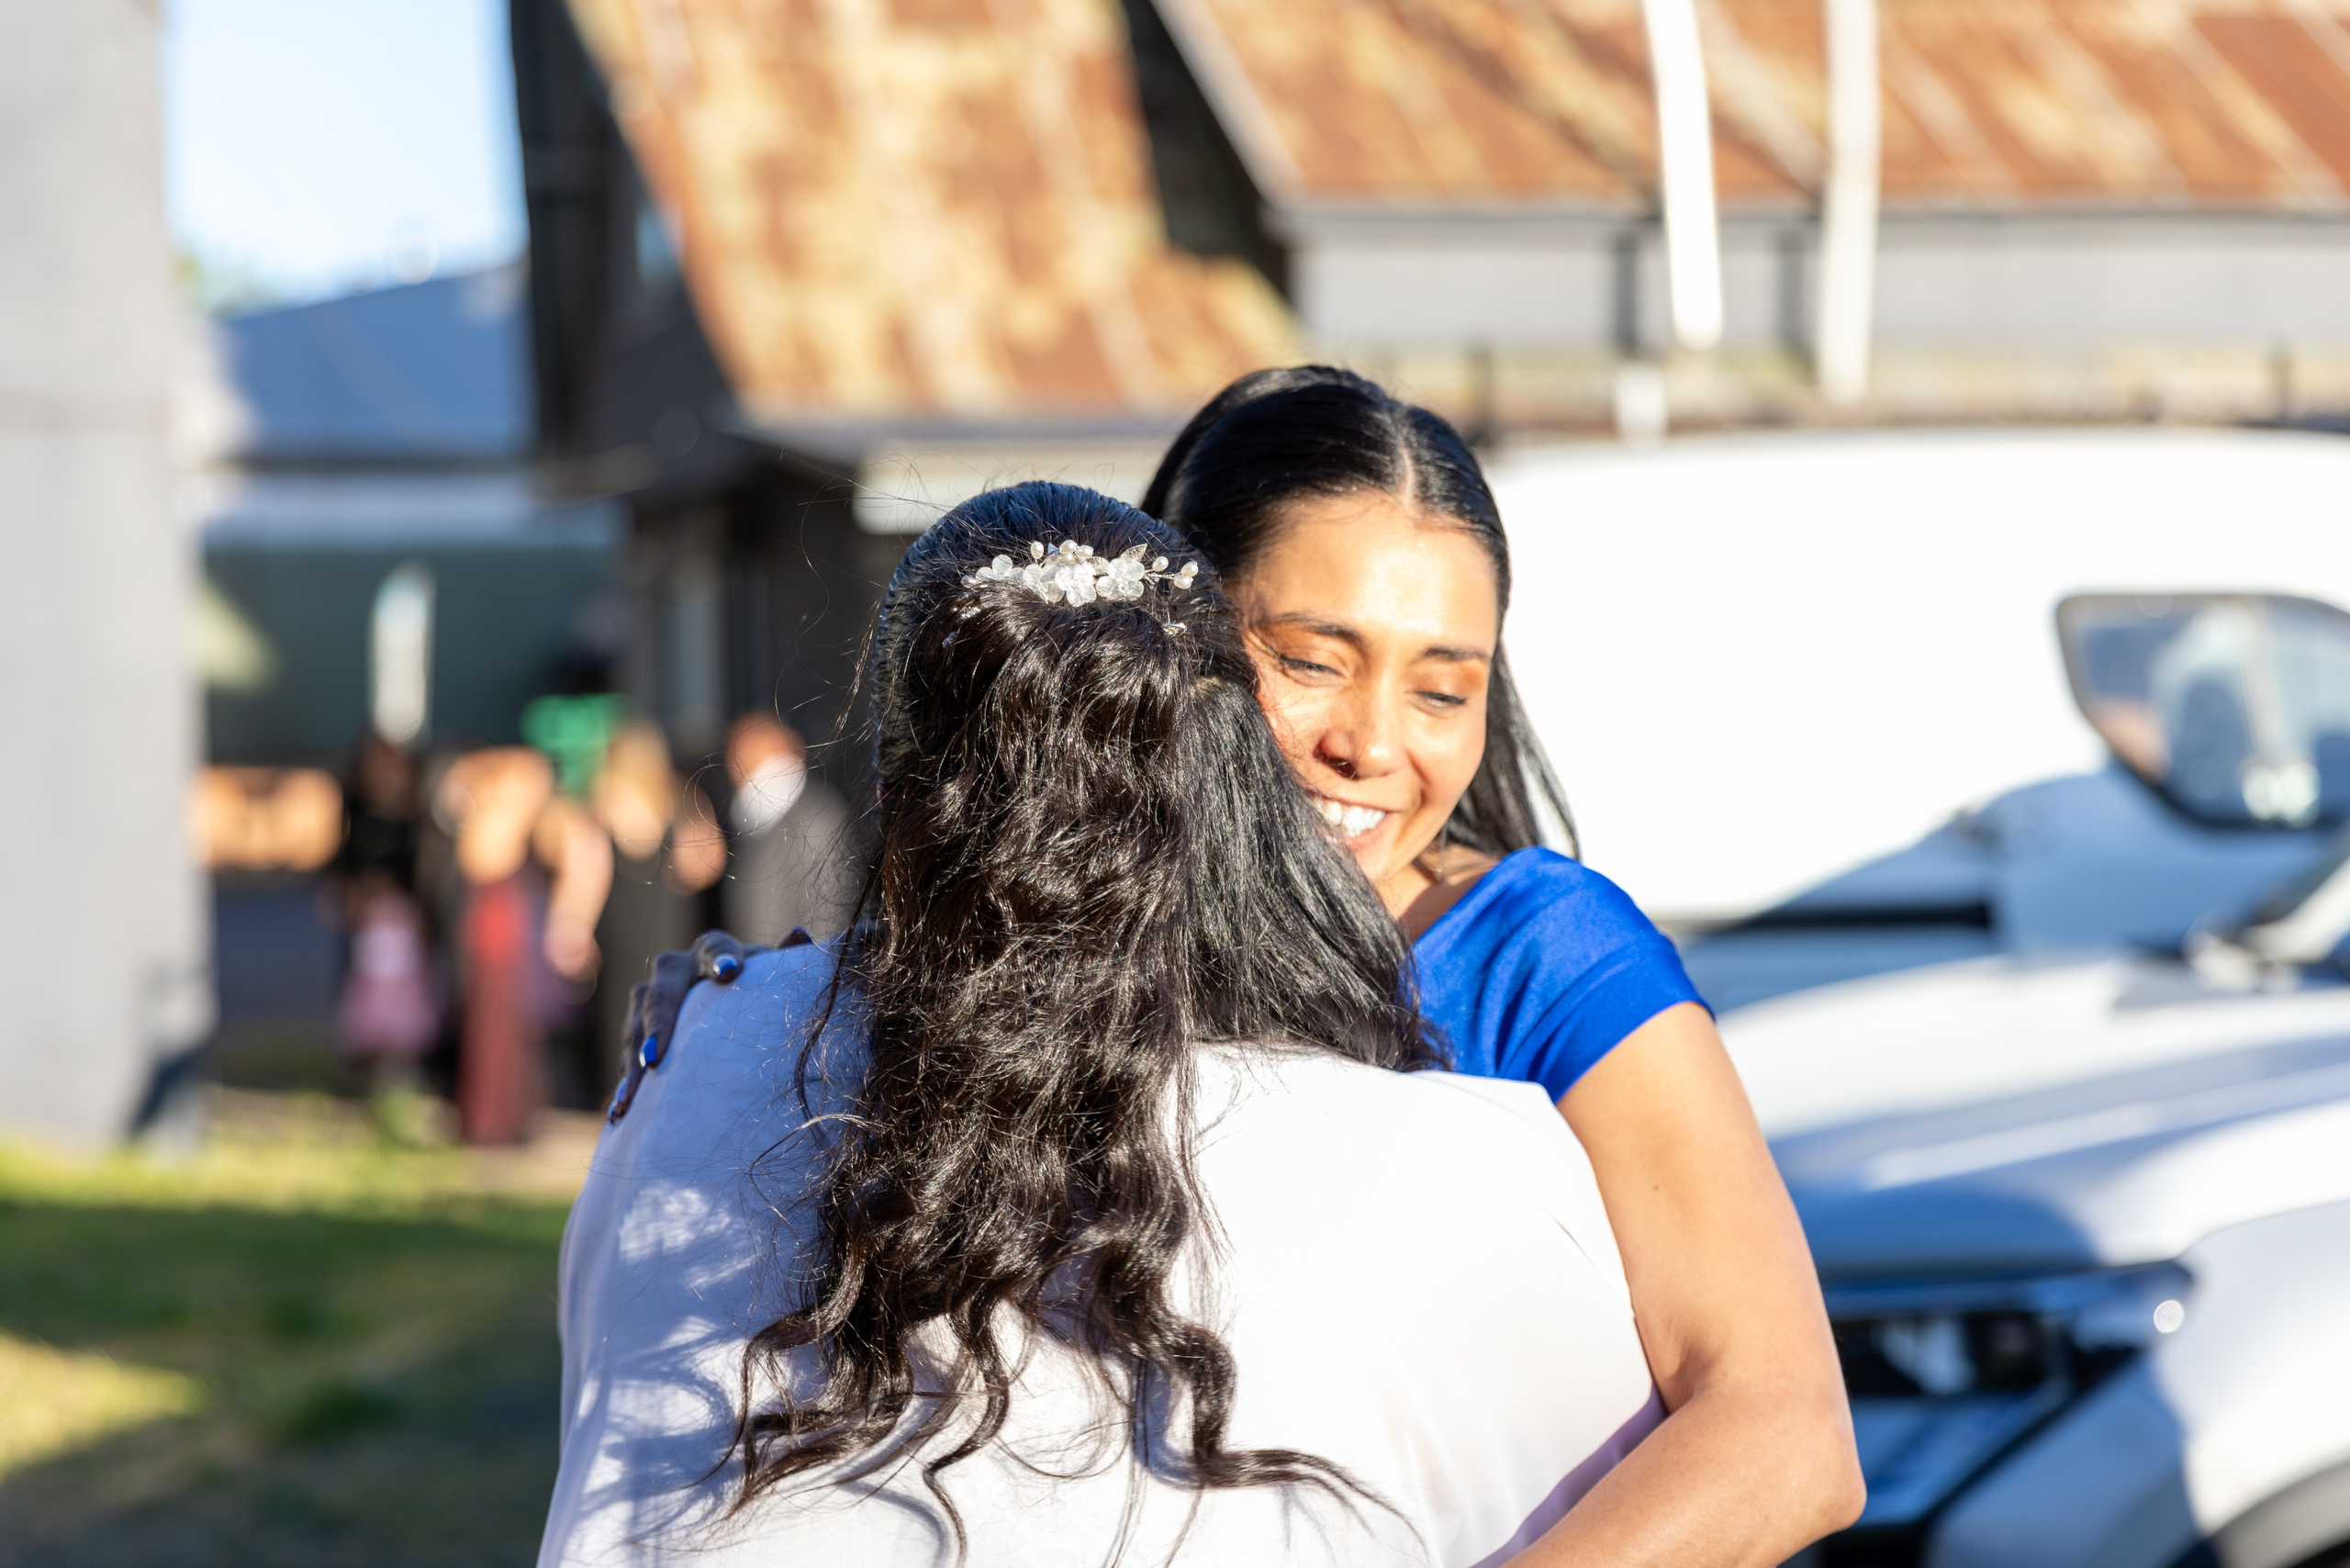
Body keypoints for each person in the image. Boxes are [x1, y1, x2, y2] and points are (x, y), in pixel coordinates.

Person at [623, 368, 1863, 1562]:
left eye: (1442, 691)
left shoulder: (1545, 960)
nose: (1371, 743)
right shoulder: (1063, 944)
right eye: (1313, 662)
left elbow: (1785, 1431)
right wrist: (759, 1024)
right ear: (1163, 640)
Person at [721, 712, 853, 944]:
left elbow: (829, 915)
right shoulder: (759, 817)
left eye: (745, 750)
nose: (733, 765)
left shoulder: (813, 816)